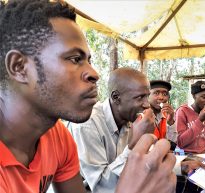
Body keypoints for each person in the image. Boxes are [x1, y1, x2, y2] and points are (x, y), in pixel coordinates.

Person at [0, 1, 176, 193]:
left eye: (89, 60)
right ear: (19, 67)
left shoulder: (56, 136)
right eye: (75, 59)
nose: (94, 73)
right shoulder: (83, 126)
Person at [69, 68, 205, 193]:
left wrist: (180, 167)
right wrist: (133, 145)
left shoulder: (131, 119)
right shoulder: (86, 124)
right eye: (139, 97)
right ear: (116, 97)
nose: (147, 104)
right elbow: (102, 187)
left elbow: (147, 162)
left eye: (147, 96)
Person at [148, 80, 177, 149]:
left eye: (164, 94)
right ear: (148, 95)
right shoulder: (141, 116)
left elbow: (173, 142)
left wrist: (170, 121)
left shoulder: (166, 115)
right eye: (156, 93)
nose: (161, 97)